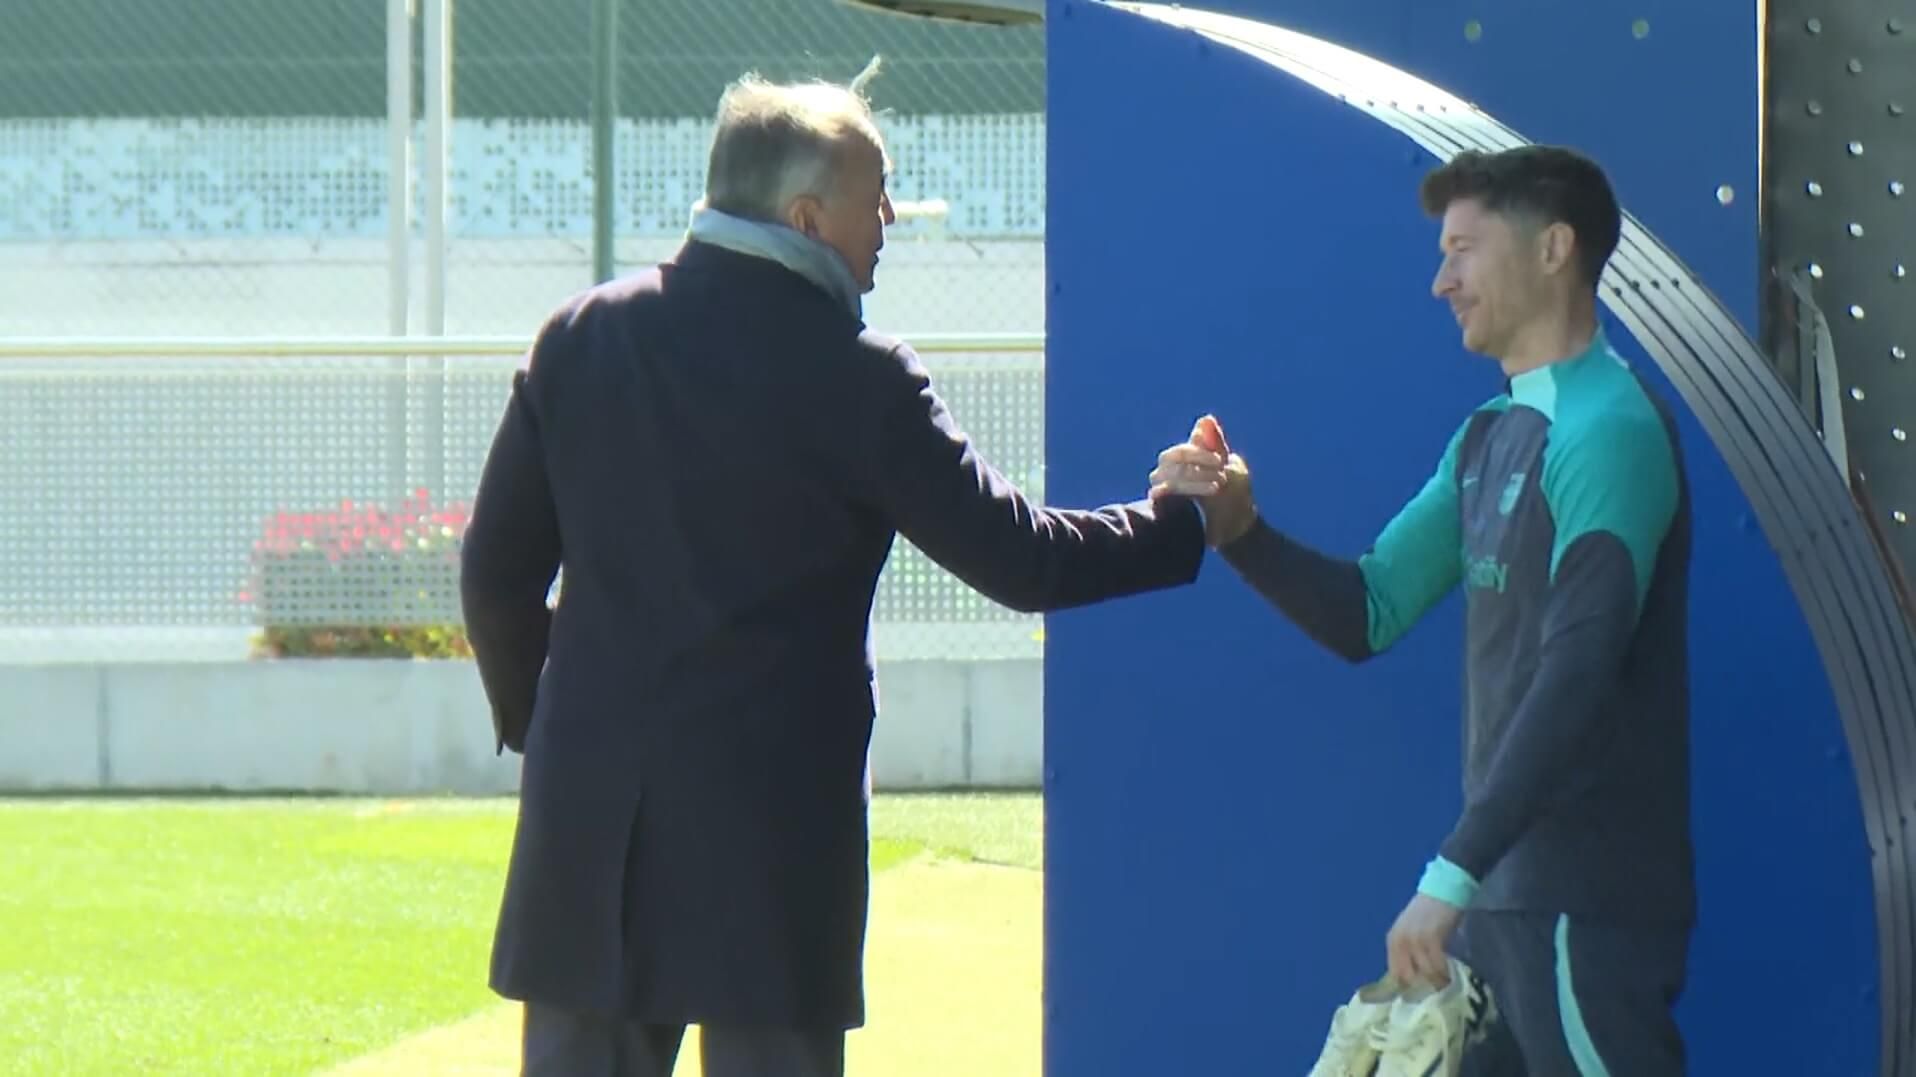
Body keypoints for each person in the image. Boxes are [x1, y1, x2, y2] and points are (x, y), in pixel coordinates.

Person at [458, 60, 1207, 1077]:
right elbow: (1023, 559)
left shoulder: (581, 336)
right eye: (875, 197)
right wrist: (1181, 520)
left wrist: (544, 727)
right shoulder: (858, 377)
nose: (891, 217)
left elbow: (496, 576)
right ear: (806, 218)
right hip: (772, 839)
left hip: (592, 829)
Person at [1150, 146, 1694, 1076]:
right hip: (1500, 912)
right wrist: (1240, 531)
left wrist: (1452, 873)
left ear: (1555, 246)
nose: (1442, 280)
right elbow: (1369, 611)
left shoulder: (1610, 428)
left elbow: (1578, 669)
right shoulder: (1487, 435)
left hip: (1579, 907)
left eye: (1464, 250)